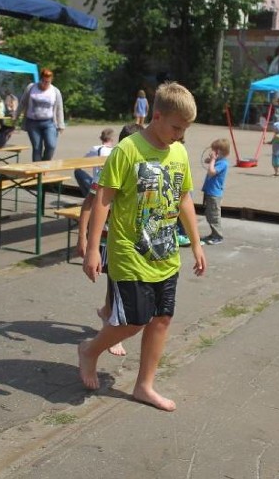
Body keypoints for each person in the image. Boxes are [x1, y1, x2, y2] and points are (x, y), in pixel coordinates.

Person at [79, 82, 207, 412]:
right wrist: (93, 249)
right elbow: (103, 199)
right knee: (133, 321)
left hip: (165, 254)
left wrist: (196, 243)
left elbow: (184, 198)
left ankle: (144, 386)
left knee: (162, 319)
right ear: (157, 115)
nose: (179, 135)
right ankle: (90, 351)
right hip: (128, 252)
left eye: (185, 129)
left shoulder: (178, 151)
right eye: (176, 127)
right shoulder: (128, 149)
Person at [76, 123, 144, 357]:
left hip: (127, 238)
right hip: (107, 237)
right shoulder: (113, 166)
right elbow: (90, 203)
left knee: (115, 282)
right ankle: (111, 328)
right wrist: (83, 238)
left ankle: (107, 314)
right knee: (115, 282)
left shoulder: (141, 167)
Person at [14, 68, 65, 161]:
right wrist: (16, 116)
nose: (45, 84)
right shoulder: (31, 87)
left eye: (48, 82)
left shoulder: (55, 91)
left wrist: (61, 125)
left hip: (49, 123)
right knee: (37, 148)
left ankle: (44, 165)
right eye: (43, 81)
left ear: (51, 80)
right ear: (40, 79)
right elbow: (23, 102)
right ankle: (37, 173)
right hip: (32, 123)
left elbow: (59, 108)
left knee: (51, 145)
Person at [202, 138, 231, 245]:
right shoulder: (219, 161)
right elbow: (207, 162)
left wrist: (213, 160)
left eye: (213, 150)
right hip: (210, 192)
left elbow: (211, 172)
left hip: (214, 193)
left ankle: (218, 236)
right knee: (209, 214)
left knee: (214, 215)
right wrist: (211, 160)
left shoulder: (223, 163)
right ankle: (213, 233)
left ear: (218, 152)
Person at [74, 127, 116, 197]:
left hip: (98, 186)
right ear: (112, 139)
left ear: (101, 138)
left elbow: (82, 162)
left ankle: (88, 197)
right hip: (111, 186)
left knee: (77, 171)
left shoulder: (96, 149)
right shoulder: (115, 150)